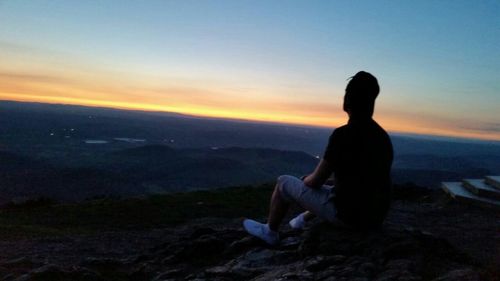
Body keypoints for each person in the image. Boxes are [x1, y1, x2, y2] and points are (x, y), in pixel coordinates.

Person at [243, 71, 393, 245]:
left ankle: (269, 231)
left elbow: (315, 181)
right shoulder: (382, 136)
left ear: (347, 100)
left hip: (350, 218)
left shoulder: (343, 134)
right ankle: (300, 221)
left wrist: (304, 180)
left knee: (283, 182)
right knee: (332, 189)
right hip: (375, 217)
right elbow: (362, 181)